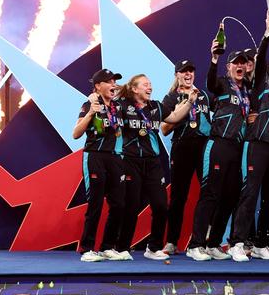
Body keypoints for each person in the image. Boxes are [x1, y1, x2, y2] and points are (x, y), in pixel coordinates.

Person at [228, 13, 269, 262]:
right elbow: (263, 55)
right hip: (256, 144)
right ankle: (237, 242)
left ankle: (260, 243)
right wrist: (267, 33)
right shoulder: (261, 83)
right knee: (249, 193)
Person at [114, 74, 194, 261]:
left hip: (153, 162)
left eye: (150, 85)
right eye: (145, 85)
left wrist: (190, 102)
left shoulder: (156, 106)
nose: (150, 88)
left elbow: (173, 117)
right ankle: (122, 248)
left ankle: (154, 247)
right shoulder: (123, 106)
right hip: (130, 161)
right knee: (131, 206)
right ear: (134, 89)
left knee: (160, 205)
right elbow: (109, 110)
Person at [186, 37, 252, 261]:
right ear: (229, 66)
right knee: (210, 195)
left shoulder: (248, 91)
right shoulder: (222, 83)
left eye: (243, 63)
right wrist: (214, 58)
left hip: (238, 148)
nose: (240, 66)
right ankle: (196, 245)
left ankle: (214, 243)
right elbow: (210, 82)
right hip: (218, 145)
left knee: (232, 197)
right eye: (235, 63)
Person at [74, 69, 128, 262]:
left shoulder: (118, 106)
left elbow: (126, 89)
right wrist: (91, 112)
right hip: (94, 156)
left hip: (114, 157)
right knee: (95, 204)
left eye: (114, 81)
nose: (113, 84)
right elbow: (76, 133)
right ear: (97, 86)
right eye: (108, 81)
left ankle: (107, 247)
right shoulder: (89, 104)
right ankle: (87, 249)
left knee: (119, 204)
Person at [161, 59, 211, 255]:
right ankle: (172, 241)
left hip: (203, 147)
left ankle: (205, 239)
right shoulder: (171, 97)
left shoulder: (204, 95)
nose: (188, 74)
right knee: (178, 197)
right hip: (182, 147)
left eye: (191, 71)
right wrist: (182, 109)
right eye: (184, 72)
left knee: (208, 193)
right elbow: (164, 129)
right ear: (177, 75)